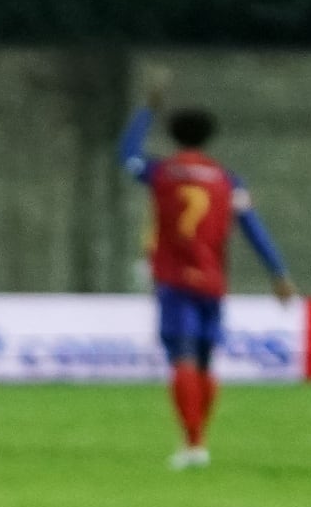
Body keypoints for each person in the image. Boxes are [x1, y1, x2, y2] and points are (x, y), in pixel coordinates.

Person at [120, 72, 297, 470]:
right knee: (204, 362)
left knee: (182, 359)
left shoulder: (162, 172)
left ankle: (194, 444)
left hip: (173, 278)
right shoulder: (227, 179)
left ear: (174, 136)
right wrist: (278, 273)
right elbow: (253, 228)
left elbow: (126, 156)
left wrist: (147, 109)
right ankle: (197, 441)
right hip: (213, 280)